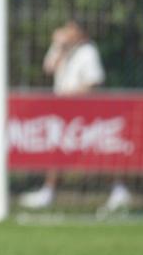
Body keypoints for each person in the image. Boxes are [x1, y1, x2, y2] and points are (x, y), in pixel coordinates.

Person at [19, 19, 130, 212]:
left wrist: (71, 94)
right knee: (57, 149)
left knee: (96, 150)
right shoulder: (61, 48)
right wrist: (60, 47)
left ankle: (119, 189)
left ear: (80, 33)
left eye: (71, 30)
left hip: (82, 110)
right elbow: (49, 68)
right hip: (63, 109)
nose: (67, 33)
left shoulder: (88, 52)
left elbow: (94, 83)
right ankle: (48, 191)